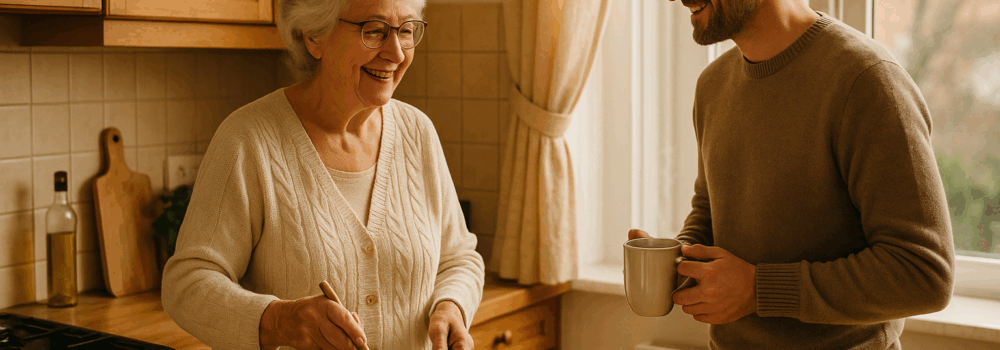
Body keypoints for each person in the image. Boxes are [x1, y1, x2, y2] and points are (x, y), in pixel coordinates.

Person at [628, 0, 955, 348]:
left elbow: (924, 273)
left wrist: (759, 289)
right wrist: (679, 258)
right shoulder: (712, 85)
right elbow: (709, 208)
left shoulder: (868, 79)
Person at [161, 0, 485, 349]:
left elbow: (459, 258)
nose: (396, 53)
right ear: (314, 36)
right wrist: (276, 320)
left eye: (406, 31)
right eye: (374, 31)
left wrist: (450, 306)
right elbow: (187, 284)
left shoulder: (417, 132)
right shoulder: (248, 140)